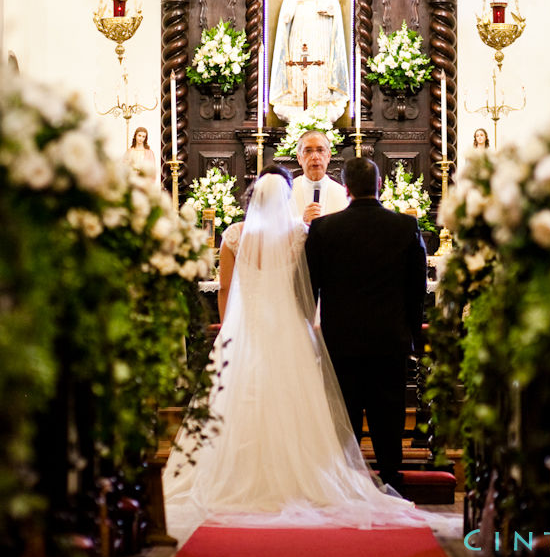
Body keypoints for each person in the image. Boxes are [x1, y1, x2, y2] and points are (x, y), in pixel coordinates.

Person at [163, 167, 419, 533]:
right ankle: (314, 477)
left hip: (245, 331)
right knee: (301, 406)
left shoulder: (234, 236)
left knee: (238, 402)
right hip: (291, 330)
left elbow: (225, 290)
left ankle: (237, 475)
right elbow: (310, 286)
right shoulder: (301, 234)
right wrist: (307, 323)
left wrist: (229, 331)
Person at [305, 157, 427, 491]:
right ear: (380, 185)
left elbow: (310, 286)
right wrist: (412, 336)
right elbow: (418, 288)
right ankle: (389, 477)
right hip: (390, 337)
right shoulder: (404, 226)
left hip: (340, 338)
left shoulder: (324, 229)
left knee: (344, 413)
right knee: (388, 411)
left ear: (345, 189)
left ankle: (345, 482)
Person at [269, 0, 351, 121]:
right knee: (299, 56)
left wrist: (328, 7)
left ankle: (320, 97)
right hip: (301, 18)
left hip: (319, 22)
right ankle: (298, 98)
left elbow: (330, 0)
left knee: (319, 54)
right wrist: (288, 14)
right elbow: (291, 0)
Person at [215, 163, 292, 321]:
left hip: (244, 319)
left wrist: (225, 327)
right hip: (285, 319)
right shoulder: (297, 234)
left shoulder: (234, 234)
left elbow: (224, 288)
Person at [290, 129, 348, 224]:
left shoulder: (342, 194)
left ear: (328, 156)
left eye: (320, 150)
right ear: (299, 158)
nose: (315, 157)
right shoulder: (288, 192)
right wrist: (301, 222)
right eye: (308, 151)